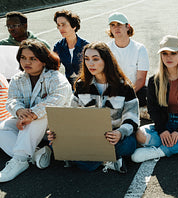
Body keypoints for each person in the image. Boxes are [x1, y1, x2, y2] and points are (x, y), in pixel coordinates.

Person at [48, 42, 139, 173]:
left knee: (129, 144)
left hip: (114, 138)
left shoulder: (124, 87)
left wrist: (119, 132)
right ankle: (107, 161)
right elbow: (71, 115)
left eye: (95, 59)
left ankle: (85, 159)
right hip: (88, 138)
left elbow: (132, 118)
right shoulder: (81, 85)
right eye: (87, 59)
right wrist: (59, 133)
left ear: (106, 61)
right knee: (54, 144)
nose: (90, 63)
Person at [0, 40, 71, 182]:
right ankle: (36, 155)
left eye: (33, 58)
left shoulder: (56, 78)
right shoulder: (18, 78)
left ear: (44, 61)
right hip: (29, 126)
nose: (27, 62)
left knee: (38, 117)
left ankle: (19, 160)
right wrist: (19, 111)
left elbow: (54, 102)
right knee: (3, 128)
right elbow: (12, 99)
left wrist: (30, 115)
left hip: (54, 128)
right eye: (23, 58)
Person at [131, 36, 178, 163]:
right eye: (164, 53)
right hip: (165, 123)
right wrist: (162, 130)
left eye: (173, 53)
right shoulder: (154, 80)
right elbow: (153, 109)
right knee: (138, 134)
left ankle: (160, 151)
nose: (168, 57)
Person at [106, 12, 149, 118]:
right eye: (113, 25)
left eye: (119, 24)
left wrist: (125, 96)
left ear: (127, 27)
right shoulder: (106, 49)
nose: (116, 28)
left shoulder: (140, 48)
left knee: (148, 93)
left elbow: (140, 79)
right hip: (113, 91)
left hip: (135, 90)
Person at [53, 10, 89, 85]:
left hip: (85, 82)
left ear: (74, 26)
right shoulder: (58, 46)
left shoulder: (86, 46)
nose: (60, 28)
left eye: (63, 25)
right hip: (68, 83)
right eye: (58, 25)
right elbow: (53, 68)